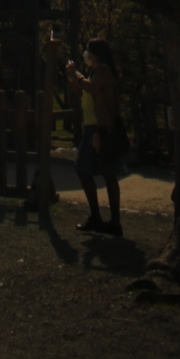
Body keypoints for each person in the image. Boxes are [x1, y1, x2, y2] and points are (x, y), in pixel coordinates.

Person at [66, 39, 127, 236]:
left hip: (100, 128)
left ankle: (103, 219)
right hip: (93, 126)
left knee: (90, 170)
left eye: (88, 51)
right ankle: (106, 219)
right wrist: (75, 79)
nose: (85, 54)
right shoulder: (96, 72)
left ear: (96, 54)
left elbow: (91, 88)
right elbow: (84, 92)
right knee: (103, 172)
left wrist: (76, 74)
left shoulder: (102, 71)